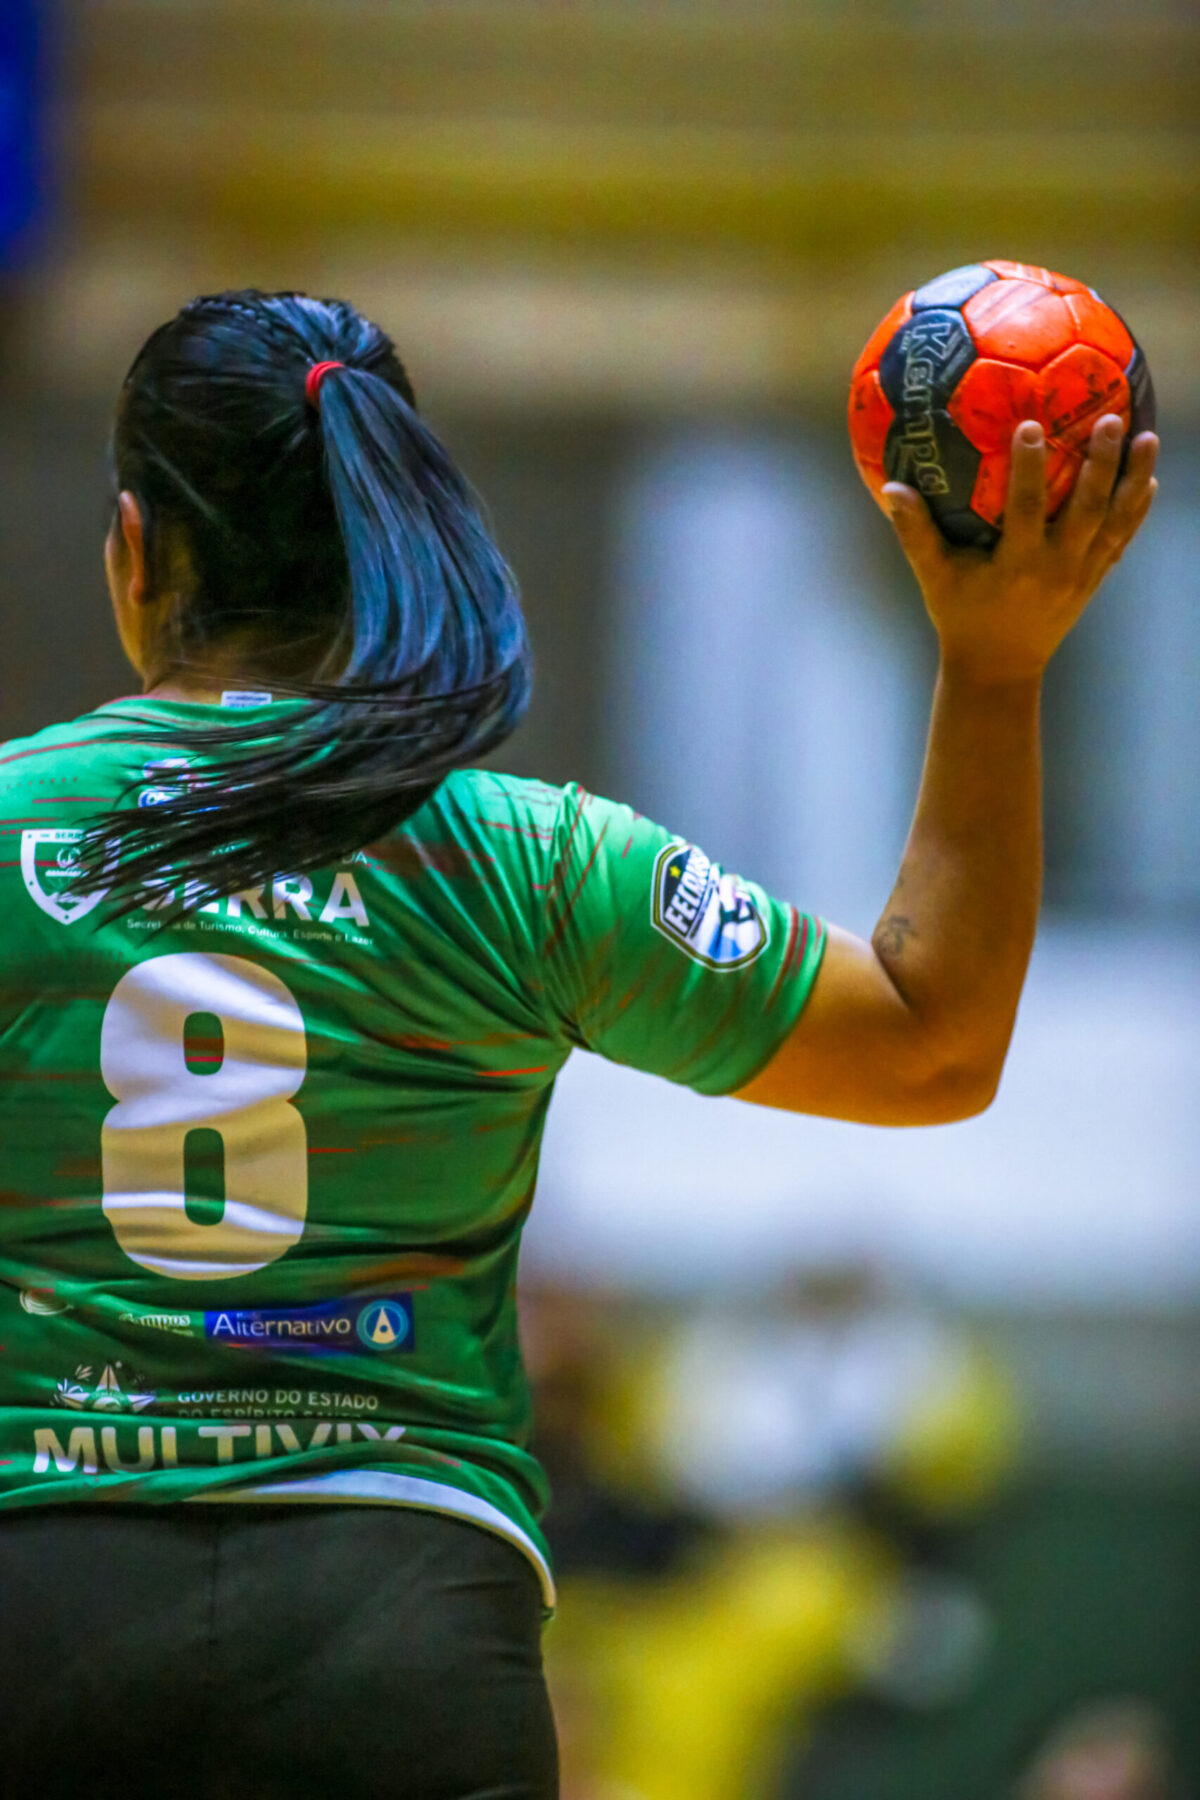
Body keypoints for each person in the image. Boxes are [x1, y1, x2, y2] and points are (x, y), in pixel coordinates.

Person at [0, 289, 1157, 1800]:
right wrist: (995, 668)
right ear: (378, 543)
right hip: (400, 1627)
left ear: (133, 551)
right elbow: (933, 1047)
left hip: (46, 1607)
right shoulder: (528, 856)